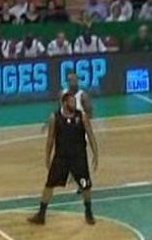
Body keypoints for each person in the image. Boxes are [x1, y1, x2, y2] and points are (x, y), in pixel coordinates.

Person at [28, 93, 99, 225]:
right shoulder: (55, 117)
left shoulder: (81, 116)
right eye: (72, 102)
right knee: (49, 184)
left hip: (79, 157)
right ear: (65, 103)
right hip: (61, 157)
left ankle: (88, 212)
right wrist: (47, 157)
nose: (74, 104)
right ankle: (41, 214)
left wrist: (95, 153)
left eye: (74, 102)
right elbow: (50, 140)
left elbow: (90, 134)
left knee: (85, 185)